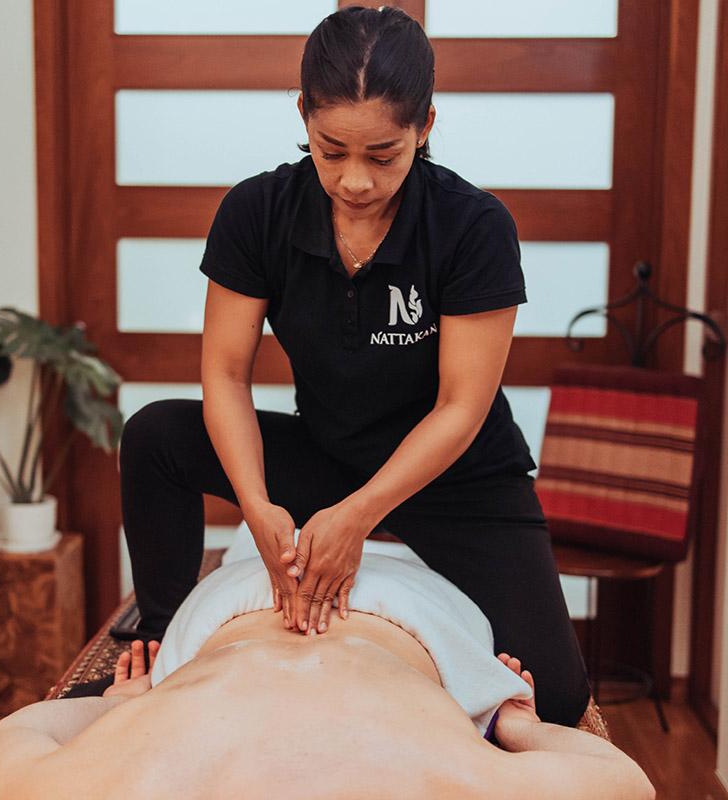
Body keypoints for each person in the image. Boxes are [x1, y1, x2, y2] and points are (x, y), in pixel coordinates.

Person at [114, 4, 591, 727]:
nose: (355, 180)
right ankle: (159, 632)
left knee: (556, 696)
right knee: (155, 436)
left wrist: (359, 518)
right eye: (332, 149)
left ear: (425, 127)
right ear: (303, 112)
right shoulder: (257, 212)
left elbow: (461, 406)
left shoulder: (472, 227)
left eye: (383, 154)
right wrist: (257, 504)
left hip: (456, 475)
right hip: (330, 450)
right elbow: (226, 376)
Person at [0, 553, 655, 800]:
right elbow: (627, 783)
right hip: (400, 614)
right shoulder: (442, 785)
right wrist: (517, 724)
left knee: (266, 530)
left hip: (260, 608)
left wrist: (114, 706)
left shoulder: (137, 784)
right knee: (396, 530)